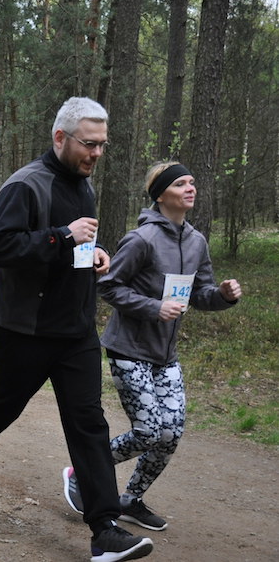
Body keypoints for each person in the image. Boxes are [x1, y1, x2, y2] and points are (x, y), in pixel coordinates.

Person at [0, 97, 153, 562]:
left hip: (76, 330)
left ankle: (104, 529)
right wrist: (63, 236)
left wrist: (93, 253)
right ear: (60, 137)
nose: (97, 153)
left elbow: (75, 242)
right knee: (3, 405)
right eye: (89, 144)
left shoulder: (84, 185)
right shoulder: (25, 184)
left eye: (102, 145)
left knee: (88, 423)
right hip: (26, 329)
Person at [62, 162, 242, 532]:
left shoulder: (196, 241)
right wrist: (153, 307)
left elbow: (200, 294)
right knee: (148, 431)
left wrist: (223, 296)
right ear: (160, 195)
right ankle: (82, 471)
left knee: (170, 433)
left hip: (165, 355)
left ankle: (131, 498)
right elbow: (108, 285)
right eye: (180, 184)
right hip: (128, 349)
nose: (190, 188)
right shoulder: (141, 239)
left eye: (192, 182)